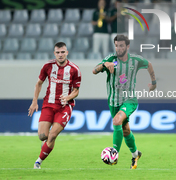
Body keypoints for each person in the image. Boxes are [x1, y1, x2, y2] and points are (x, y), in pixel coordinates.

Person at [92, 35, 157, 169]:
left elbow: (149, 64)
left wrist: (154, 82)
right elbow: (94, 70)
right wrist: (104, 64)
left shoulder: (135, 60)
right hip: (113, 101)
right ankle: (135, 155)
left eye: (121, 45)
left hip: (130, 99)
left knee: (116, 121)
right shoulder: (110, 59)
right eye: (116, 45)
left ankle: (114, 152)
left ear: (127, 47)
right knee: (125, 130)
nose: (118, 48)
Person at [28, 42, 81, 169]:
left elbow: (76, 90)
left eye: (63, 52)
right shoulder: (47, 66)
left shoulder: (74, 69)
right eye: (58, 52)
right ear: (54, 53)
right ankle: (46, 145)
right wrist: (34, 101)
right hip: (48, 104)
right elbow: (39, 83)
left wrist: (68, 97)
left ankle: (38, 162)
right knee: (43, 136)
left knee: (52, 136)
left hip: (64, 107)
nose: (60, 55)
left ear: (67, 53)